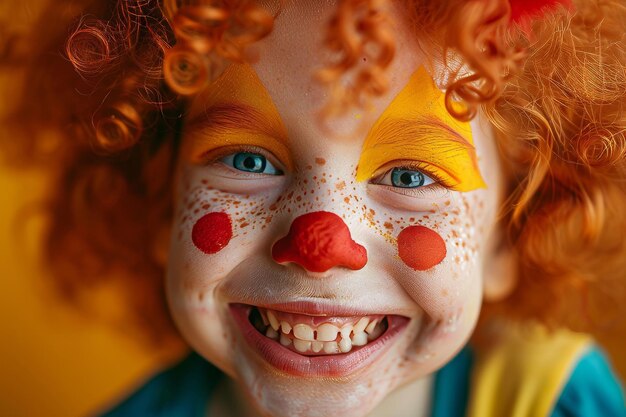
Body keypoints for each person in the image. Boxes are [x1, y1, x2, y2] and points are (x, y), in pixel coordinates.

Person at [2, 0, 625, 416]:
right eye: (247, 162)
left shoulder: (551, 398)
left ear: (506, 236)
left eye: (409, 174)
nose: (319, 242)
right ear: (163, 206)